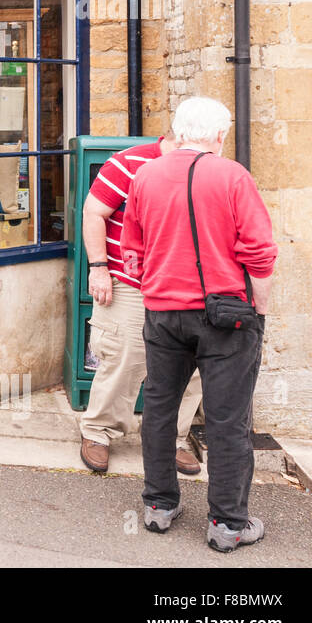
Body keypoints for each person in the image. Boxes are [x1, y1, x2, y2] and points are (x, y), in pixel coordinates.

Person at [121, 97, 277, 552]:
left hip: (163, 312)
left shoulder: (146, 175)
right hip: (226, 315)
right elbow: (260, 251)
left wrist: (157, 283)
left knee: (159, 407)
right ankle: (227, 523)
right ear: (220, 135)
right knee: (229, 418)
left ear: (177, 129)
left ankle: (158, 505)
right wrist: (259, 311)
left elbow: (132, 251)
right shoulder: (232, 175)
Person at [78, 134, 203, 475]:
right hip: (130, 282)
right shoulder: (127, 163)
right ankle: (99, 432)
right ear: (181, 135)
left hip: (185, 284)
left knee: (189, 366)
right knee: (125, 358)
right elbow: (93, 212)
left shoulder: (206, 167)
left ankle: (172, 439)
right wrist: (99, 268)